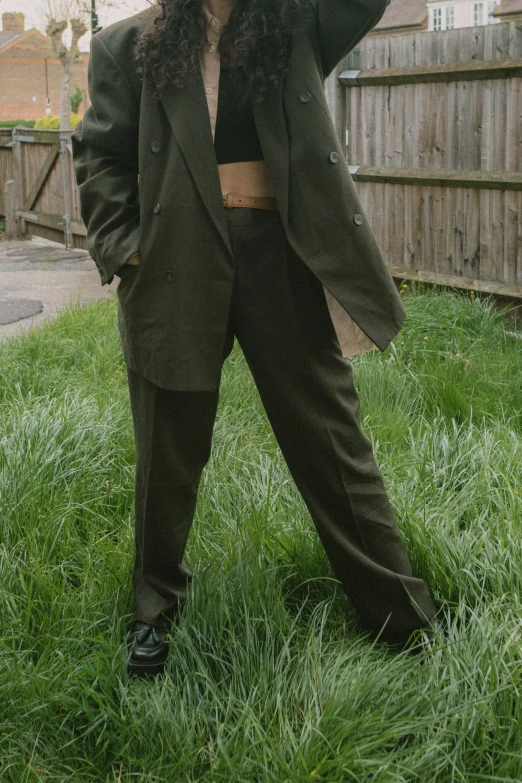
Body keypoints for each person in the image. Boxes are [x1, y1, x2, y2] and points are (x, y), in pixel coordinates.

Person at [72, 0, 441, 678]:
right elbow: (99, 156)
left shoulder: (295, 25)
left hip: (280, 255)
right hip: (176, 257)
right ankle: (153, 613)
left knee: (332, 440)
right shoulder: (128, 45)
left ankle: (400, 612)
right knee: (167, 449)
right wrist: (128, 250)